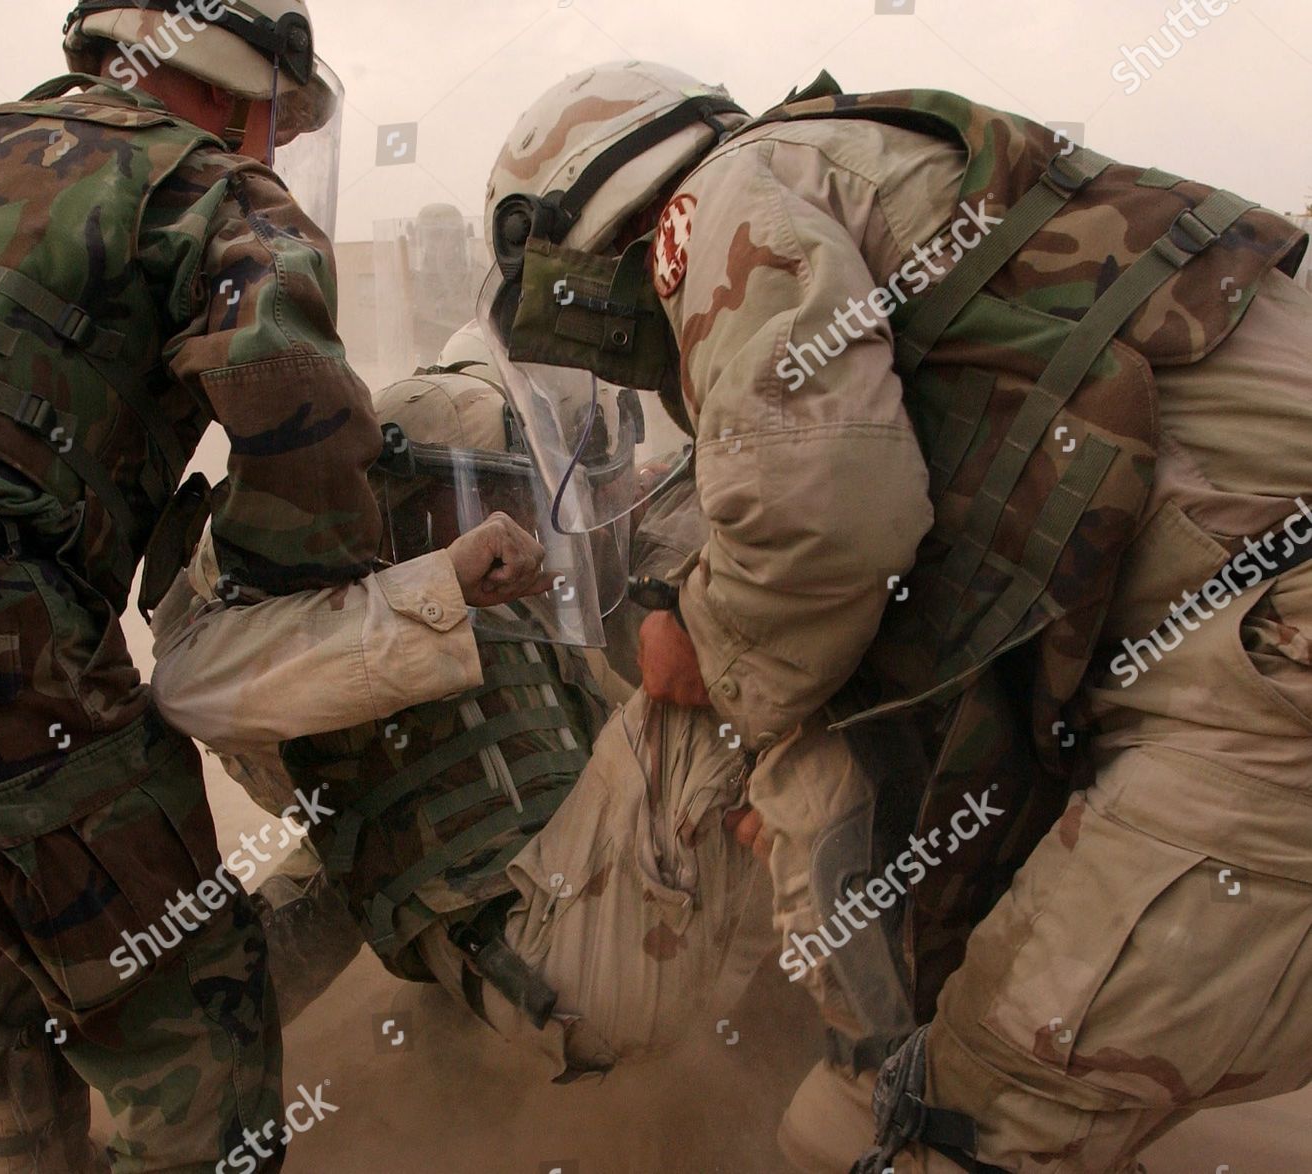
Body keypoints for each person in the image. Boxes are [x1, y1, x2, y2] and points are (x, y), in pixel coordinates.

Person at [480, 60, 1312, 1172]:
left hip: (1260, 656)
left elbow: (823, 517)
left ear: (593, 239)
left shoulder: (722, 198)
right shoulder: (862, 175)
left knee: (947, 1125)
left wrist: (705, 653)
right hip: (1245, 638)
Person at [0, 3, 545, 1170]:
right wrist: (325, 603)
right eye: (274, 120)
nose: (270, 146)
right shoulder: (209, 189)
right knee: (193, 1027)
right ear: (228, 84)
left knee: (6, 883)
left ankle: (28, 1149)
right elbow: (298, 424)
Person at [149, 364, 778, 1076]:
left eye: (519, 491)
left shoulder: (488, 568)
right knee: (749, 631)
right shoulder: (303, 589)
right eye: (488, 496)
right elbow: (190, 682)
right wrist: (439, 584)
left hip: (563, 883)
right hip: (556, 946)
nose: (517, 521)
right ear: (406, 504)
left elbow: (636, 517)